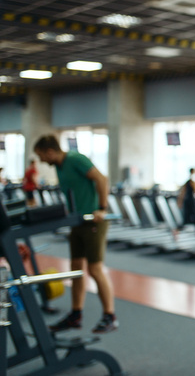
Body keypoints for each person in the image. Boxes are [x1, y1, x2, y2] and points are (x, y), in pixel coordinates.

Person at [33, 135, 118, 334]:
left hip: (93, 221)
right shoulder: (60, 166)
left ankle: (110, 316)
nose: (41, 160)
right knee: (76, 268)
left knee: (95, 269)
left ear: (50, 152)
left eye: (41, 156)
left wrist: (102, 208)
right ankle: (76, 314)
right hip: (77, 222)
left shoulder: (75, 159)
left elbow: (101, 178)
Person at [176, 167, 195, 237]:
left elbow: (182, 193)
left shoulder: (188, 181)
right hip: (191, 202)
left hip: (187, 201)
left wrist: (180, 202)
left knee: (189, 217)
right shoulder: (192, 181)